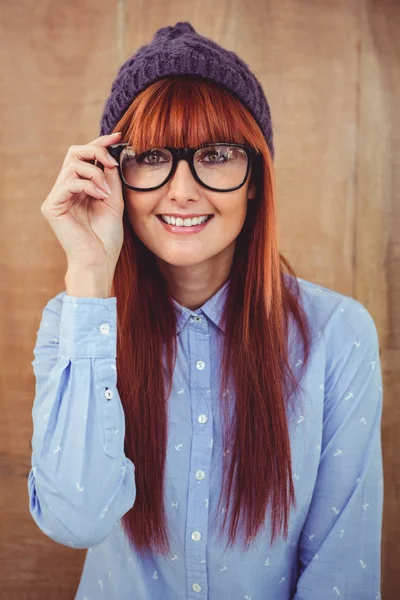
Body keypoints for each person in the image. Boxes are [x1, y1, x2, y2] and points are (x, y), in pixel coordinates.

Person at [28, 21, 383, 600]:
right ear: (113, 174)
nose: (184, 190)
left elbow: (341, 573)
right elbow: (76, 520)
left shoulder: (337, 336)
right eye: (153, 156)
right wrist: (90, 274)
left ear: (254, 180)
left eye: (216, 155)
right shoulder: (74, 322)